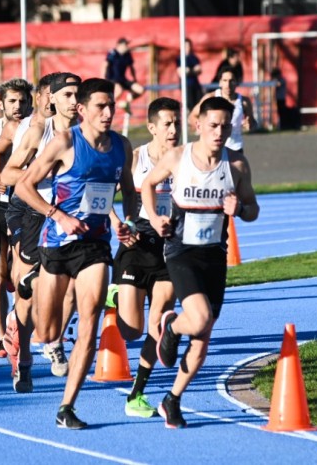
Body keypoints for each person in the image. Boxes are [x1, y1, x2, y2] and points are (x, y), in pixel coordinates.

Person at [16, 77, 138, 430]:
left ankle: (66, 407)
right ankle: (32, 283)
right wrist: (59, 215)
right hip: (57, 243)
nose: (108, 112)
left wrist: (126, 220)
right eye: (100, 106)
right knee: (48, 330)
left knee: (89, 324)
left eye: (112, 105)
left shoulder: (121, 146)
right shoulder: (65, 142)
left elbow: (128, 189)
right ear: (82, 109)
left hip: (96, 245)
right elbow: (24, 186)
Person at [142, 96, 259, 428]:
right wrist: (154, 218)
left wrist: (240, 210)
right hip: (181, 251)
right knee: (200, 317)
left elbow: (253, 209)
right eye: (213, 126)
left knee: (203, 335)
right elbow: (149, 184)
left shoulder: (236, 165)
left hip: (214, 257)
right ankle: (172, 326)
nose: (219, 132)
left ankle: (172, 399)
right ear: (198, 126)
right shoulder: (178, 158)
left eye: (226, 126)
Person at [0, 73, 81, 392]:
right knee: (28, 296)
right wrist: (44, 170)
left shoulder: (86, 134)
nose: (75, 101)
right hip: (33, 211)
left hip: (70, 215)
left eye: (79, 95)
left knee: (74, 287)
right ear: (51, 99)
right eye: (68, 95)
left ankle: (55, 341)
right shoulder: (38, 129)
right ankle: (24, 362)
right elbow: (7, 172)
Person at [109, 97, 180, 418]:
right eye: (167, 124)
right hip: (137, 248)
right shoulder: (135, 160)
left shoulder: (187, 160)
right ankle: (112, 297)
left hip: (171, 250)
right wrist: (117, 224)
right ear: (152, 127)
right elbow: (103, 195)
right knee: (132, 332)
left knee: (159, 319)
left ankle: (137, 394)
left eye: (177, 123)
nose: (173, 129)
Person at [0, 78, 34, 359]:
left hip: (26, 208)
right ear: (2, 103)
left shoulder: (39, 128)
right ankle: (1, 336)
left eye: (22, 101)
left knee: (20, 274)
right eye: (12, 101)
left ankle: (20, 324)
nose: (18, 106)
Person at [189, 67, 258, 159]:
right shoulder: (210, 98)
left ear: (237, 82)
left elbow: (253, 123)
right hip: (213, 147)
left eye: (231, 81)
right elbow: (192, 117)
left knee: (237, 173)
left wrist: (250, 125)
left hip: (235, 148)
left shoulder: (244, 102)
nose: (228, 84)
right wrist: (203, 129)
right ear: (220, 82)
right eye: (225, 80)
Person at [104, 37, 144, 114]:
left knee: (140, 89)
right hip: (112, 79)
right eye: (125, 44)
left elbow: (131, 67)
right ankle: (107, 104)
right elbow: (105, 65)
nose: (127, 46)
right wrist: (103, 78)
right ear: (119, 45)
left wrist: (134, 79)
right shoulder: (113, 53)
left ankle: (125, 103)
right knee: (118, 90)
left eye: (127, 44)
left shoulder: (127, 54)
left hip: (122, 79)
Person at [176, 38, 203, 111]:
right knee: (190, 107)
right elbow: (181, 72)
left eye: (189, 46)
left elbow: (199, 70)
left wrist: (189, 70)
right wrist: (192, 70)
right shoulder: (180, 59)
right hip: (187, 87)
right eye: (186, 46)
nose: (188, 48)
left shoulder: (194, 58)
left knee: (199, 105)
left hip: (196, 86)